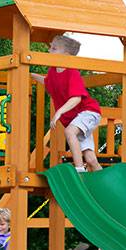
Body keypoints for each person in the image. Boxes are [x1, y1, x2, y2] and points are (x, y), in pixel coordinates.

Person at [31, 34, 103, 173]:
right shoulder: (52, 72)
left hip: (88, 112)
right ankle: (103, 181)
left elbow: (76, 98)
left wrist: (59, 112)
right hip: (77, 119)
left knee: (69, 131)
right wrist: (28, 74)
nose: (49, 51)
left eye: (53, 48)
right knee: (91, 159)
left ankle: (79, 170)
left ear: (65, 55)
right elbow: (46, 82)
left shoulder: (72, 72)